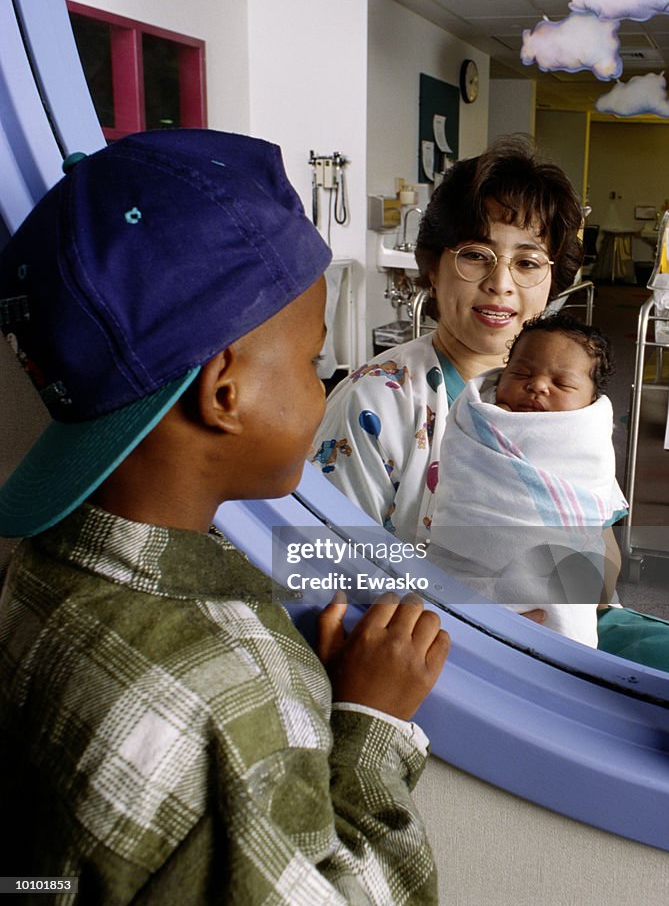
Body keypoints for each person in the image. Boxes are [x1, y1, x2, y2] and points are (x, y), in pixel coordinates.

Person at [0, 130, 450, 904]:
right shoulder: (238, 685)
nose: (324, 386)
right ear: (224, 392)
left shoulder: (34, 572)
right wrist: (371, 727)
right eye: (313, 363)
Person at [312, 136, 584, 546]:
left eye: (527, 263)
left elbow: (596, 554)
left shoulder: (565, 399)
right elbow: (328, 568)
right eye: (476, 255)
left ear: (552, 282)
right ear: (433, 268)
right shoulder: (376, 402)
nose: (501, 284)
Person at [430, 313, 628, 647]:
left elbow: (592, 530)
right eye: (521, 373)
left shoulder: (583, 437)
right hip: (461, 563)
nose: (537, 385)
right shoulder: (476, 419)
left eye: (562, 383)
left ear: (589, 403)